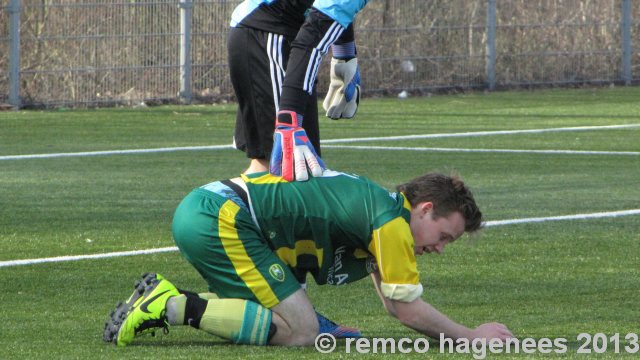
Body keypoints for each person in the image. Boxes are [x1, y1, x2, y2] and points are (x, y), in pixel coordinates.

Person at [103, 170, 515, 346]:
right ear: (424, 209)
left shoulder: (380, 213)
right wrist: (468, 335)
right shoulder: (390, 222)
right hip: (221, 217)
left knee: (283, 325)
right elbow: (406, 309)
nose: (440, 248)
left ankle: (165, 300)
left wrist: (324, 326)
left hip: (209, 210)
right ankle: (168, 305)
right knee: (299, 332)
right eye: (444, 236)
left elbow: (391, 303)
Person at [228, 0, 365, 181]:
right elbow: (311, 40)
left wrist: (345, 55)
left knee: (279, 168)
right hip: (269, 33)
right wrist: (288, 119)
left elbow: (333, 8)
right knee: (287, 167)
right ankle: (211, 206)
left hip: (272, 31)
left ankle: (220, 206)